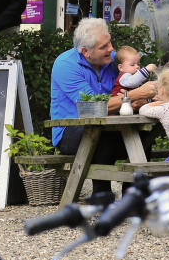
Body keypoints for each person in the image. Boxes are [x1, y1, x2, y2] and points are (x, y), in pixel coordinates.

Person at [49, 17, 156, 196]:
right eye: (104, 47)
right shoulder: (66, 65)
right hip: (71, 131)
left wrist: (139, 100)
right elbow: (93, 107)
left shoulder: (114, 61)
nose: (111, 49)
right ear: (86, 52)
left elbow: (130, 87)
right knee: (101, 133)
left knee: (145, 131)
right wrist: (134, 96)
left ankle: (133, 196)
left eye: (110, 43)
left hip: (111, 124)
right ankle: (102, 195)